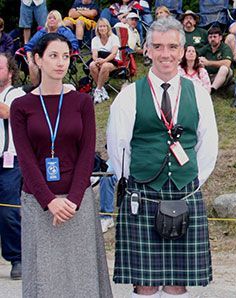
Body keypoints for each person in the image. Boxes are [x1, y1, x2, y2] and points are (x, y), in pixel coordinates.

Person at [108, 17, 218, 297]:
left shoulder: (200, 95)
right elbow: (118, 147)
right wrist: (137, 180)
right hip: (142, 194)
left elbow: (208, 146)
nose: (165, 54)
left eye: (172, 46)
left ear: (182, 51)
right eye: (158, 46)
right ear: (147, 50)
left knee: (177, 282)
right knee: (145, 283)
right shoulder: (130, 95)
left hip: (185, 191)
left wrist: (190, 182)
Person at [10, 32, 111, 297]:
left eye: (65, 56)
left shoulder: (82, 102)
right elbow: (26, 161)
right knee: (44, 281)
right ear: (37, 59)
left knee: (82, 278)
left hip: (78, 203)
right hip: (39, 204)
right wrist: (49, 201)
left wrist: (74, 199)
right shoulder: (22, 106)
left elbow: (87, 153)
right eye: (53, 55)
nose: (60, 63)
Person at [0, 53, 25, 280]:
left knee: (8, 210)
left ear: (10, 72)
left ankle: (17, 257)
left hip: (9, 161)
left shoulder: (16, 94)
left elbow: (7, 112)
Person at [24, 10, 79, 86]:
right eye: (50, 18)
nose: (52, 20)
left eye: (54, 18)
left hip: (58, 58)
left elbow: (74, 45)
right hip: (42, 57)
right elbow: (29, 46)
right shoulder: (42, 32)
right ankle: (36, 88)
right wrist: (30, 59)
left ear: (59, 21)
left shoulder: (65, 32)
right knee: (31, 65)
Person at [90, 18, 121, 103]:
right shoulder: (95, 39)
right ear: (97, 28)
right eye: (100, 26)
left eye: (104, 26)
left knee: (105, 66)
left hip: (112, 61)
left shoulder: (114, 38)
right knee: (92, 65)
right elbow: (94, 54)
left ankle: (98, 90)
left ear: (108, 28)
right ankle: (102, 90)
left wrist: (103, 61)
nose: (102, 28)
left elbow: (114, 53)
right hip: (99, 60)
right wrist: (97, 60)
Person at [199, 26, 234, 92]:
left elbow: (227, 63)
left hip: (224, 76)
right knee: (199, 62)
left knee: (224, 68)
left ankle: (212, 90)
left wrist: (208, 63)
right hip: (208, 76)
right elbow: (196, 54)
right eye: (210, 37)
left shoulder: (225, 48)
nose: (212, 39)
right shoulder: (206, 47)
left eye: (215, 37)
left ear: (220, 38)